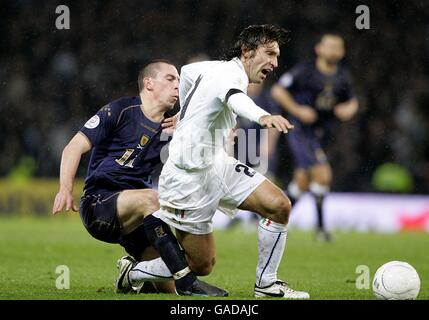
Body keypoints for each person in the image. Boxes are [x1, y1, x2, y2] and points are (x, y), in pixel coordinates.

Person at [120, 25, 310, 299]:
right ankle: (133, 273)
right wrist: (263, 117)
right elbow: (236, 99)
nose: (274, 63)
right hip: (189, 178)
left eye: (277, 56)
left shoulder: (211, 68)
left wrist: (185, 113)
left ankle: (266, 285)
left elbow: (186, 72)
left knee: (278, 206)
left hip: (216, 163)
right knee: (202, 265)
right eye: (269, 54)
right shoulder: (229, 77)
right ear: (247, 51)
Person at [52, 60, 227, 297]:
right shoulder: (121, 110)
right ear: (149, 83)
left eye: (178, 80)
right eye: (170, 79)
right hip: (100, 203)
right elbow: (73, 148)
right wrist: (65, 188)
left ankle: (132, 274)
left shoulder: (174, 127)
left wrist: (207, 134)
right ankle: (187, 282)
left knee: (170, 285)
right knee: (153, 199)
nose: (178, 85)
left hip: (141, 218)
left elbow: (204, 157)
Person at [271, 33, 359, 241]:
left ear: (342, 52)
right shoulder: (305, 71)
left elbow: (352, 100)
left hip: (322, 134)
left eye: (337, 47)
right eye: (329, 46)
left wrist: (349, 109)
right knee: (322, 174)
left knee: (301, 182)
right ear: (319, 49)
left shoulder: (342, 77)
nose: (333, 51)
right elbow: (278, 91)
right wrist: (298, 110)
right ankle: (320, 229)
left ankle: (270, 218)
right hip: (300, 131)